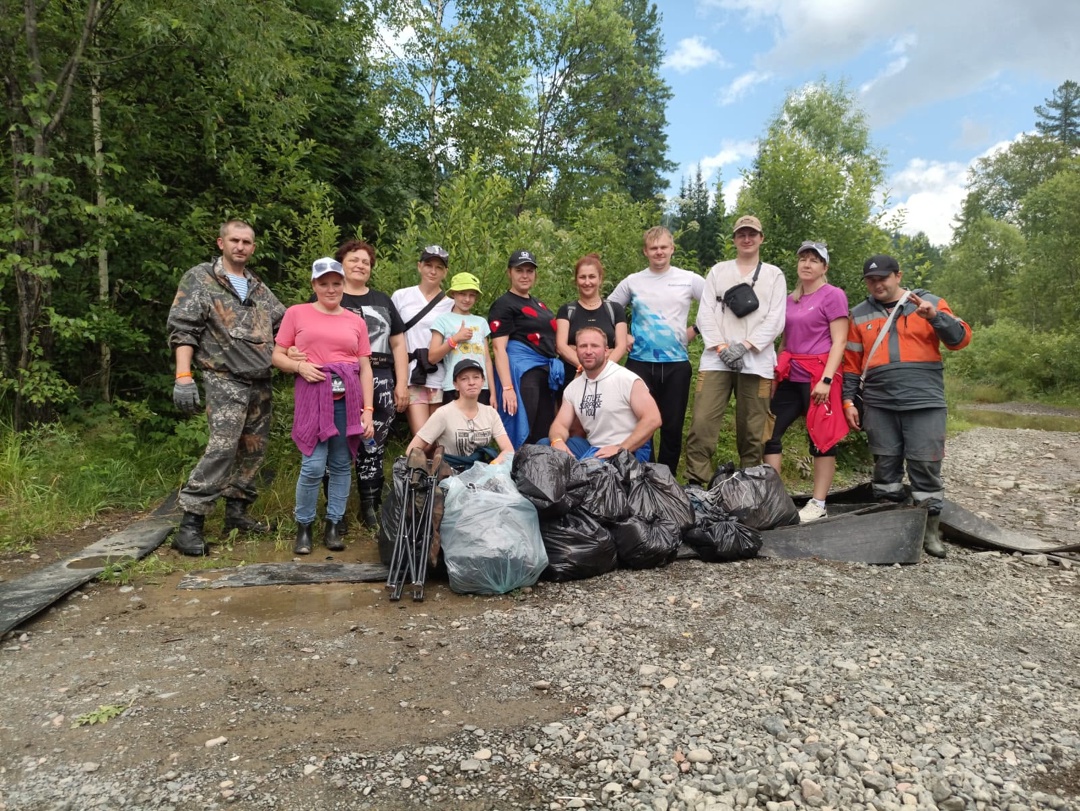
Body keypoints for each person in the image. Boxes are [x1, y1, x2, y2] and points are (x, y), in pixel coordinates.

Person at [168, 220, 286, 556]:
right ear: (221, 243)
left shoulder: (258, 288)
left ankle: (236, 513)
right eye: (234, 240)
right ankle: (191, 523)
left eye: (247, 242)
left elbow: (287, 323)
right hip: (224, 377)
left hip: (260, 380)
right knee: (221, 448)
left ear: (253, 247)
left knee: (254, 449)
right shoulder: (201, 279)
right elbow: (183, 329)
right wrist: (183, 376)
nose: (241, 247)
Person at [842, 254, 971, 558]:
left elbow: (961, 339)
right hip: (879, 402)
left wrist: (934, 318)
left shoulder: (929, 302)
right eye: (871, 280)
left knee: (925, 465)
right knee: (885, 466)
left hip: (924, 400)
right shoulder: (858, 314)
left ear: (898, 276)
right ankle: (892, 530)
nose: (877, 284)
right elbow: (851, 364)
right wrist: (849, 400)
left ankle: (930, 533)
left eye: (883, 278)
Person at [290, 240, 409, 529]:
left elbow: (398, 343)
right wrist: (295, 356)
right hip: (332, 381)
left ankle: (370, 507)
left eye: (366, 262)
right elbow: (301, 339)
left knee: (372, 447)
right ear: (341, 265)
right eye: (354, 260)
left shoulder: (383, 300)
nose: (360, 265)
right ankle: (336, 513)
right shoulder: (328, 298)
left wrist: (402, 383)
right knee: (332, 450)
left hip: (377, 378)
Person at [272, 258, 375, 554]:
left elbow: (365, 367)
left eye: (336, 283)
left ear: (343, 284)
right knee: (313, 465)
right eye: (324, 283)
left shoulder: (355, 321)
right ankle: (303, 527)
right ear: (314, 285)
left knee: (342, 464)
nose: (331, 289)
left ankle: (333, 525)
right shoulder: (296, 313)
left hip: (348, 398)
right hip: (313, 396)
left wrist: (367, 411)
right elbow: (277, 355)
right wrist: (298, 367)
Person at [684, 215, 786, 483]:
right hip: (716, 359)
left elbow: (776, 319)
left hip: (757, 361)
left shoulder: (774, 275)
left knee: (753, 429)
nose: (747, 238)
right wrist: (722, 347)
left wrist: (744, 346)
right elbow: (705, 314)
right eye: (741, 234)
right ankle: (696, 483)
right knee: (702, 423)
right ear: (734, 239)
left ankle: (750, 484)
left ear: (761, 238)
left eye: (752, 234)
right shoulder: (718, 271)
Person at [762, 241, 849, 522]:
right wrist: (775, 373)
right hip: (791, 371)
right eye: (803, 259)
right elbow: (785, 340)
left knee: (821, 440)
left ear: (824, 267)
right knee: (769, 433)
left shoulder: (833, 295)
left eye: (814, 260)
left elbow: (840, 341)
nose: (807, 264)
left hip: (819, 374)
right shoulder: (790, 299)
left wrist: (826, 380)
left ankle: (818, 503)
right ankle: (775, 499)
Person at [608, 226, 704, 473]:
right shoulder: (633, 281)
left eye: (663, 247)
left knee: (672, 426)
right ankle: (641, 475)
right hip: (639, 363)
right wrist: (624, 334)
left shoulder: (689, 278)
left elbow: (716, 305)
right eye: (654, 248)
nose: (659, 252)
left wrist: (694, 330)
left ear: (672, 248)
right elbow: (607, 309)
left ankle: (666, 479)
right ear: (646, 251)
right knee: (641, 424)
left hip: (676, 364)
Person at [546, 326, 662, 463]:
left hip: (629, 451)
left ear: (606, 351)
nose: (588, 351)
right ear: (576, 351)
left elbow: (653, 419)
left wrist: (621, 448)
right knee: (545, 447)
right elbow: (560, 425)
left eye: (594, 346)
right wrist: (557, 441)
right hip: (594, 448)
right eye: (583, 346)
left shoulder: (626, 379)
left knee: (590, 471)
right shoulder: (573, 388)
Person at [489, 249, 563, 447]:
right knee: (525, 429)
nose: (525, 275)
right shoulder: (503, 304)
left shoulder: (538, 303)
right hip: (523, 374)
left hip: (544, 373)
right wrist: (507, 387)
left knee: (544, 430)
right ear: (509, 273)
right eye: (519, 270)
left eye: (529, 270)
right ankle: (516, 473)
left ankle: (539, 472)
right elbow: (499, 348)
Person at [406, 359, 513, 470]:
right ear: (455, 385)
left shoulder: (490, 413)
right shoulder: (443, 413)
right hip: (450, 476)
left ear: (483, 381)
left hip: (483, 474)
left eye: (476, 377)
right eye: (464, 379)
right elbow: (412, 450)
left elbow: (508, 450)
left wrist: (493, 466)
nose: (471, 382)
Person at [392, 245, 454, 435]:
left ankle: (432, 466)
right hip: (411, 374)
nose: (433, 271)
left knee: (438, 438)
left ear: (445, 272)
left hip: (440, 375)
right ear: (419, 266)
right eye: (428, 265)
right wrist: (400, 383)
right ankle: (416, 464)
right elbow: (393, 339)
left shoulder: (451, 304)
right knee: (423, 436)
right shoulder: (401, 297)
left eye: (439, 267)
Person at [555, 253, 628, 384]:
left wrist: (602, 369)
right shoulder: (566, 311)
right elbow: (560, 346)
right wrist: (585, 366)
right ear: (576, 280)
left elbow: (621, 346)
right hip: (573, 378)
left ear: (600, 279)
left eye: (592, 277)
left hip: (607, 378)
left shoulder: (615, 310)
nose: (587, 282)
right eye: (582, 277)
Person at [429, 272, 495, 406]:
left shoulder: (481, 322)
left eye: (472, 295)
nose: (467, 299)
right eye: (462, 294)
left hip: (481, 388)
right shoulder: (443, 320)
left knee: (482, 426)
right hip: (454, 387)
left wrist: (493, 393)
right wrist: (455, 339)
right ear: (453, 294)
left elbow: (487, 360)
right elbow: (432, 357)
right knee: (455, 426)